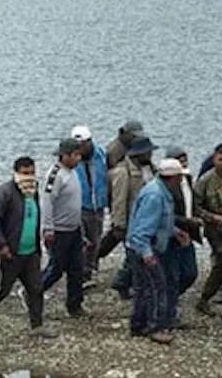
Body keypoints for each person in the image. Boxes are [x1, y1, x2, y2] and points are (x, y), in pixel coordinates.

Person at [0, 156, 57, 338]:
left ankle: (37, 325)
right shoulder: (4, 192)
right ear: (16, 173)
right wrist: (1, 246)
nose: (28, 177)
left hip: (30, 251)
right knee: (2, 289)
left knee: (36, 288)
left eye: (32, 173)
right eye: (25, 173)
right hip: (11, 252)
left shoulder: (32, 192)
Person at [126, 159, 188, 344]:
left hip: (140, 246)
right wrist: (147, 254)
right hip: (144, 247)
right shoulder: (155, 196)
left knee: (143, 287)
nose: (181, 180)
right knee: (156, 287)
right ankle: (155, 327)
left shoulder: (158, 190)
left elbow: (160, 221)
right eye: (179, 177)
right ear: (173, 178)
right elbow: (142, 230)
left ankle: (139, 324)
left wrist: (175, 232)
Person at [105, 134, 157, 299]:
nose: (150, 154)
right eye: (148, 152)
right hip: (131, 221)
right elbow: (119, 200)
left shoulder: (150, 168)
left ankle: (125, 282)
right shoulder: (122, 172)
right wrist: (119, 224)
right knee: (134, 255)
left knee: (137, 255)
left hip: (147, 219)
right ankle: (124, 283)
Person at [41, 138, 88, 318]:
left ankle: (75, 305)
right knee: (56, 268)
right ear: (65, 155)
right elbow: (47, 203)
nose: (78, 158)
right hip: (59, 230)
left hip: (74, 228)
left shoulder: (73, 173)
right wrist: (48, 229)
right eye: (75, 155)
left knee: (77, 269)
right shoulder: (56, 175)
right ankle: (34, 291)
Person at [194, 144, 222, 314]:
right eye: (220, 160)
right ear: (214, 160)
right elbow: (195, 206)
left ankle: (205, 299)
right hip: (214, 228)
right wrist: (212, 217)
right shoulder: (205, 180)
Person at [163, 146, 201, 303]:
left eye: (185, 160)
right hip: (172, 233)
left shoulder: (188, 179)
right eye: (180, 161)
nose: (184, 164)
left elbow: (192, 203)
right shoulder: (166, 185)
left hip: (188, 233)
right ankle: (167, 300)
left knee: (191, 273)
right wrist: (187, 221)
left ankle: (169, 297)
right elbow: (165, 214)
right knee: (172, 272)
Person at [73, 126, 108, 283]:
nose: (81, 148)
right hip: (79, 205)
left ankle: (91, 268)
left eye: (83, 144)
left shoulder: (101, 155)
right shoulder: (73, 159)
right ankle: (82, 273)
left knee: (95, 239)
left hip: (97, 205)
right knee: (82, 241)